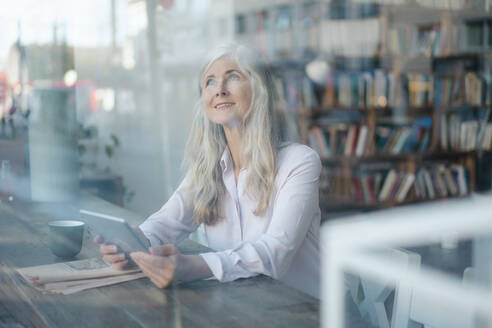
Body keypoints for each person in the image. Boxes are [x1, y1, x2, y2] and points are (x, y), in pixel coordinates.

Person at [97, 43, 322, 298]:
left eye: (233, 77)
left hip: (310, 313)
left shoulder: (299, 162)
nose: (220, 90)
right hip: (248, 311)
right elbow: (163, 224)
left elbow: (276, 251)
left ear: (260, 90)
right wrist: (134, 243)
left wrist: (192, 266)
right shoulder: (208, 170)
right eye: (210, 82)